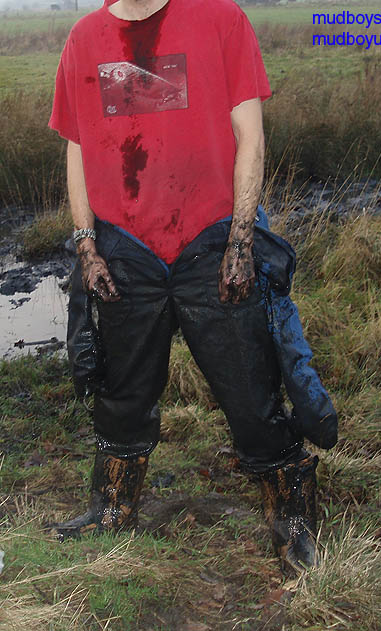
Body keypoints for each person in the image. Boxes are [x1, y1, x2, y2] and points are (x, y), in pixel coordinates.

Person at [48, 0, 337, 574]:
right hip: (125, 246)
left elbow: (250, 136)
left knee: (250, 386)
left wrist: (241, 242)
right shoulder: (85, 38)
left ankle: (292, 516)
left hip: (211, 240)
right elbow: (76, 148)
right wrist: (87, 247)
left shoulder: (221, 19)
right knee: (122, 389)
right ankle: (112, 507)